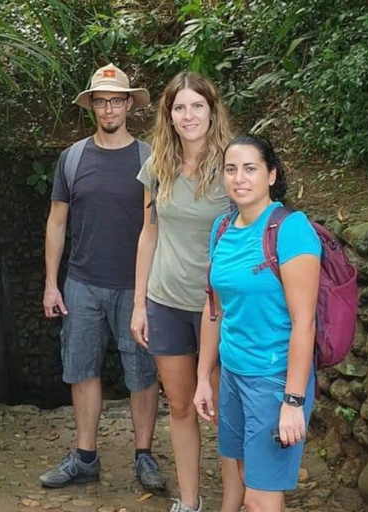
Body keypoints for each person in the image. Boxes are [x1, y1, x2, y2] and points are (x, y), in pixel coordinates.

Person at [40, 63, 165, 490]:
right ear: (91, 105)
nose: (108, 108)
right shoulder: (72, 158)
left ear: (129, 104)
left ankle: (144, 455)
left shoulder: (149, 158)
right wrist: (51, 283)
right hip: (82, 283)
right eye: (100, 101)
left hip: (137, 286)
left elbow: (160, 225)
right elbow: (57, 222)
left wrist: (150, 292)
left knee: (142, 372)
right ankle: (86, 456)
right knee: (81, 369)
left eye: (116, 100)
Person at [131, 71, 242, 512]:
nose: (188, 115)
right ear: (168, 114)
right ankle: (189, 502)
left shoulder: (232, 166)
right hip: (166, 301)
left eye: (197, 105)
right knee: (179, 407)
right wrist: (139, 303)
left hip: (219, 307)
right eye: (180, 107)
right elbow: (148, 234)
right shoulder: (157, 165)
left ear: (212, 111)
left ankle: (235, 504)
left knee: (226, 413)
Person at [193, 134, 321, 512]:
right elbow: (214, 307)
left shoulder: (291, 230)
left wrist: (293, 402)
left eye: (250, 168)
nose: (239, 178)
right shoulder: (221, 228)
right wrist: (203, 377)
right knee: (249, 479)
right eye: (231, 169)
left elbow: (305, 324)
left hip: (274, 378)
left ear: (271, 175)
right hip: (232, 373)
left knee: (261, 499)